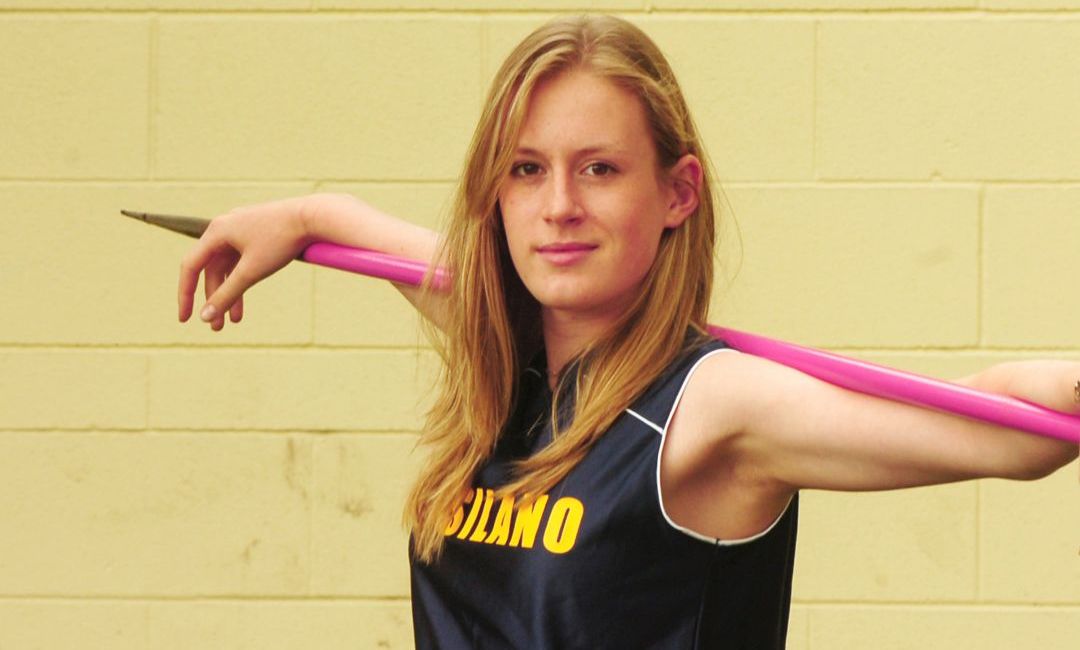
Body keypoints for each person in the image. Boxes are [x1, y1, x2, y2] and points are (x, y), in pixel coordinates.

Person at [176, 15, 1078, 649]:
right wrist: (305, 216)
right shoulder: (509, 348)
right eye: (526, 170)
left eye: (600, 169)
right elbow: (406, 250)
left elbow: (1005, 428)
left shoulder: (710, 406)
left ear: (677, 193)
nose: (558, 207)